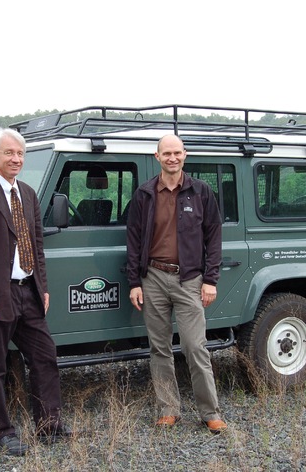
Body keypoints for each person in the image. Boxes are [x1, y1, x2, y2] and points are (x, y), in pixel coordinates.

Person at [0, 127, 71, 456]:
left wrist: (43, 287)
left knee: (44, 357)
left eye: (20, 153)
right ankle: (1, 431)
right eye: (9, 153)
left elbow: (36, 247)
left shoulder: (29, 194)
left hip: (29, 292)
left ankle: (48, 424)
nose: (16, 159)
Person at [126, 134, 228, 434]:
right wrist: (135, 281)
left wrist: (210, 279)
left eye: (177, 153)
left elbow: (214, 237)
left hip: (189, 279)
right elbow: (132, 241)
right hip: (153, 278)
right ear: (157, 157)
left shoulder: (201, 192)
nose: (172, 158)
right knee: (159, 348)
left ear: (185, 155)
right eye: (166, 153)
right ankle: (168, 409)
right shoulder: (144, 194)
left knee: (195, 346)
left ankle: (210, 412)